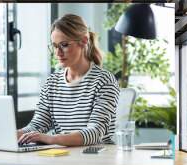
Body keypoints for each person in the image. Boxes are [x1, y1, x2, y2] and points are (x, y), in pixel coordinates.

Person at [17, 14, 120, 146]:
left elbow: (95, 132)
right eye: (54, 46)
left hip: (96, 157)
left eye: (64, 45)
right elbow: (37, 126)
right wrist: (12, 134)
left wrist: (50, 139)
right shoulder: (51, 83)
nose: (58, 53)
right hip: (62, 156)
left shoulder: (104, 81)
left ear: (83, 41)